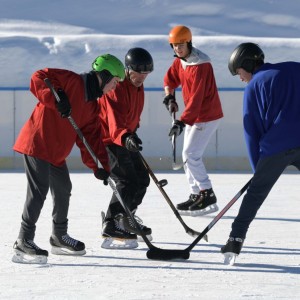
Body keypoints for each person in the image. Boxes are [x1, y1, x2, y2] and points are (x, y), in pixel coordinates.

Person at [12, 54, 125, 264]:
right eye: (115, 82)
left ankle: (59, 237)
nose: (115, 87)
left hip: (56, 153)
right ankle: (24, 240)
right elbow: (39, 77)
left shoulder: (92, 105)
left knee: (63, 189)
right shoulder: (70, 80)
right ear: (105, 75)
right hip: (37, 143)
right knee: (39, 191)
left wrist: (100, 166)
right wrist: (58, 97)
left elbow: (90, 138)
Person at [221, 42, 300, 264]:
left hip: (277, 146)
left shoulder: (255, 84)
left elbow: (251, 131)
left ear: (246, 65)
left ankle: (235, 239)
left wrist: (258, 170)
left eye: (238, 72)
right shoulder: (295, 67)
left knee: (255, 195)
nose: (240, 78)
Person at [95, 48, 153, 249]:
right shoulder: (116, 87)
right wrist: (126, 136)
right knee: (126, 180)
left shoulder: (139, 87)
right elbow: (114, 120)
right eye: (138, 73)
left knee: (142, 179)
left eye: (146, 74)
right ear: (128, 70)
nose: (142, 77)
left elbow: (132, 115)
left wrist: (133, 132)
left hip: (126, 137)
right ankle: (111, 223)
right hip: (110, 138)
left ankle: (127, 218)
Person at [163, 25, 223, 217]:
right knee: (186, 155)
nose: (177, 49)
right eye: (174, 46)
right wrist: (169, 96)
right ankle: (195, 194)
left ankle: (207, 193)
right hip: (195, 116)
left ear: (189, 42)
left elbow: (197, 99)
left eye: (180, 45)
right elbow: (170, 79)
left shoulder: (201, 65)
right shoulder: (181, 61)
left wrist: (181, 122)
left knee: (191, 154)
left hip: (207, 115)